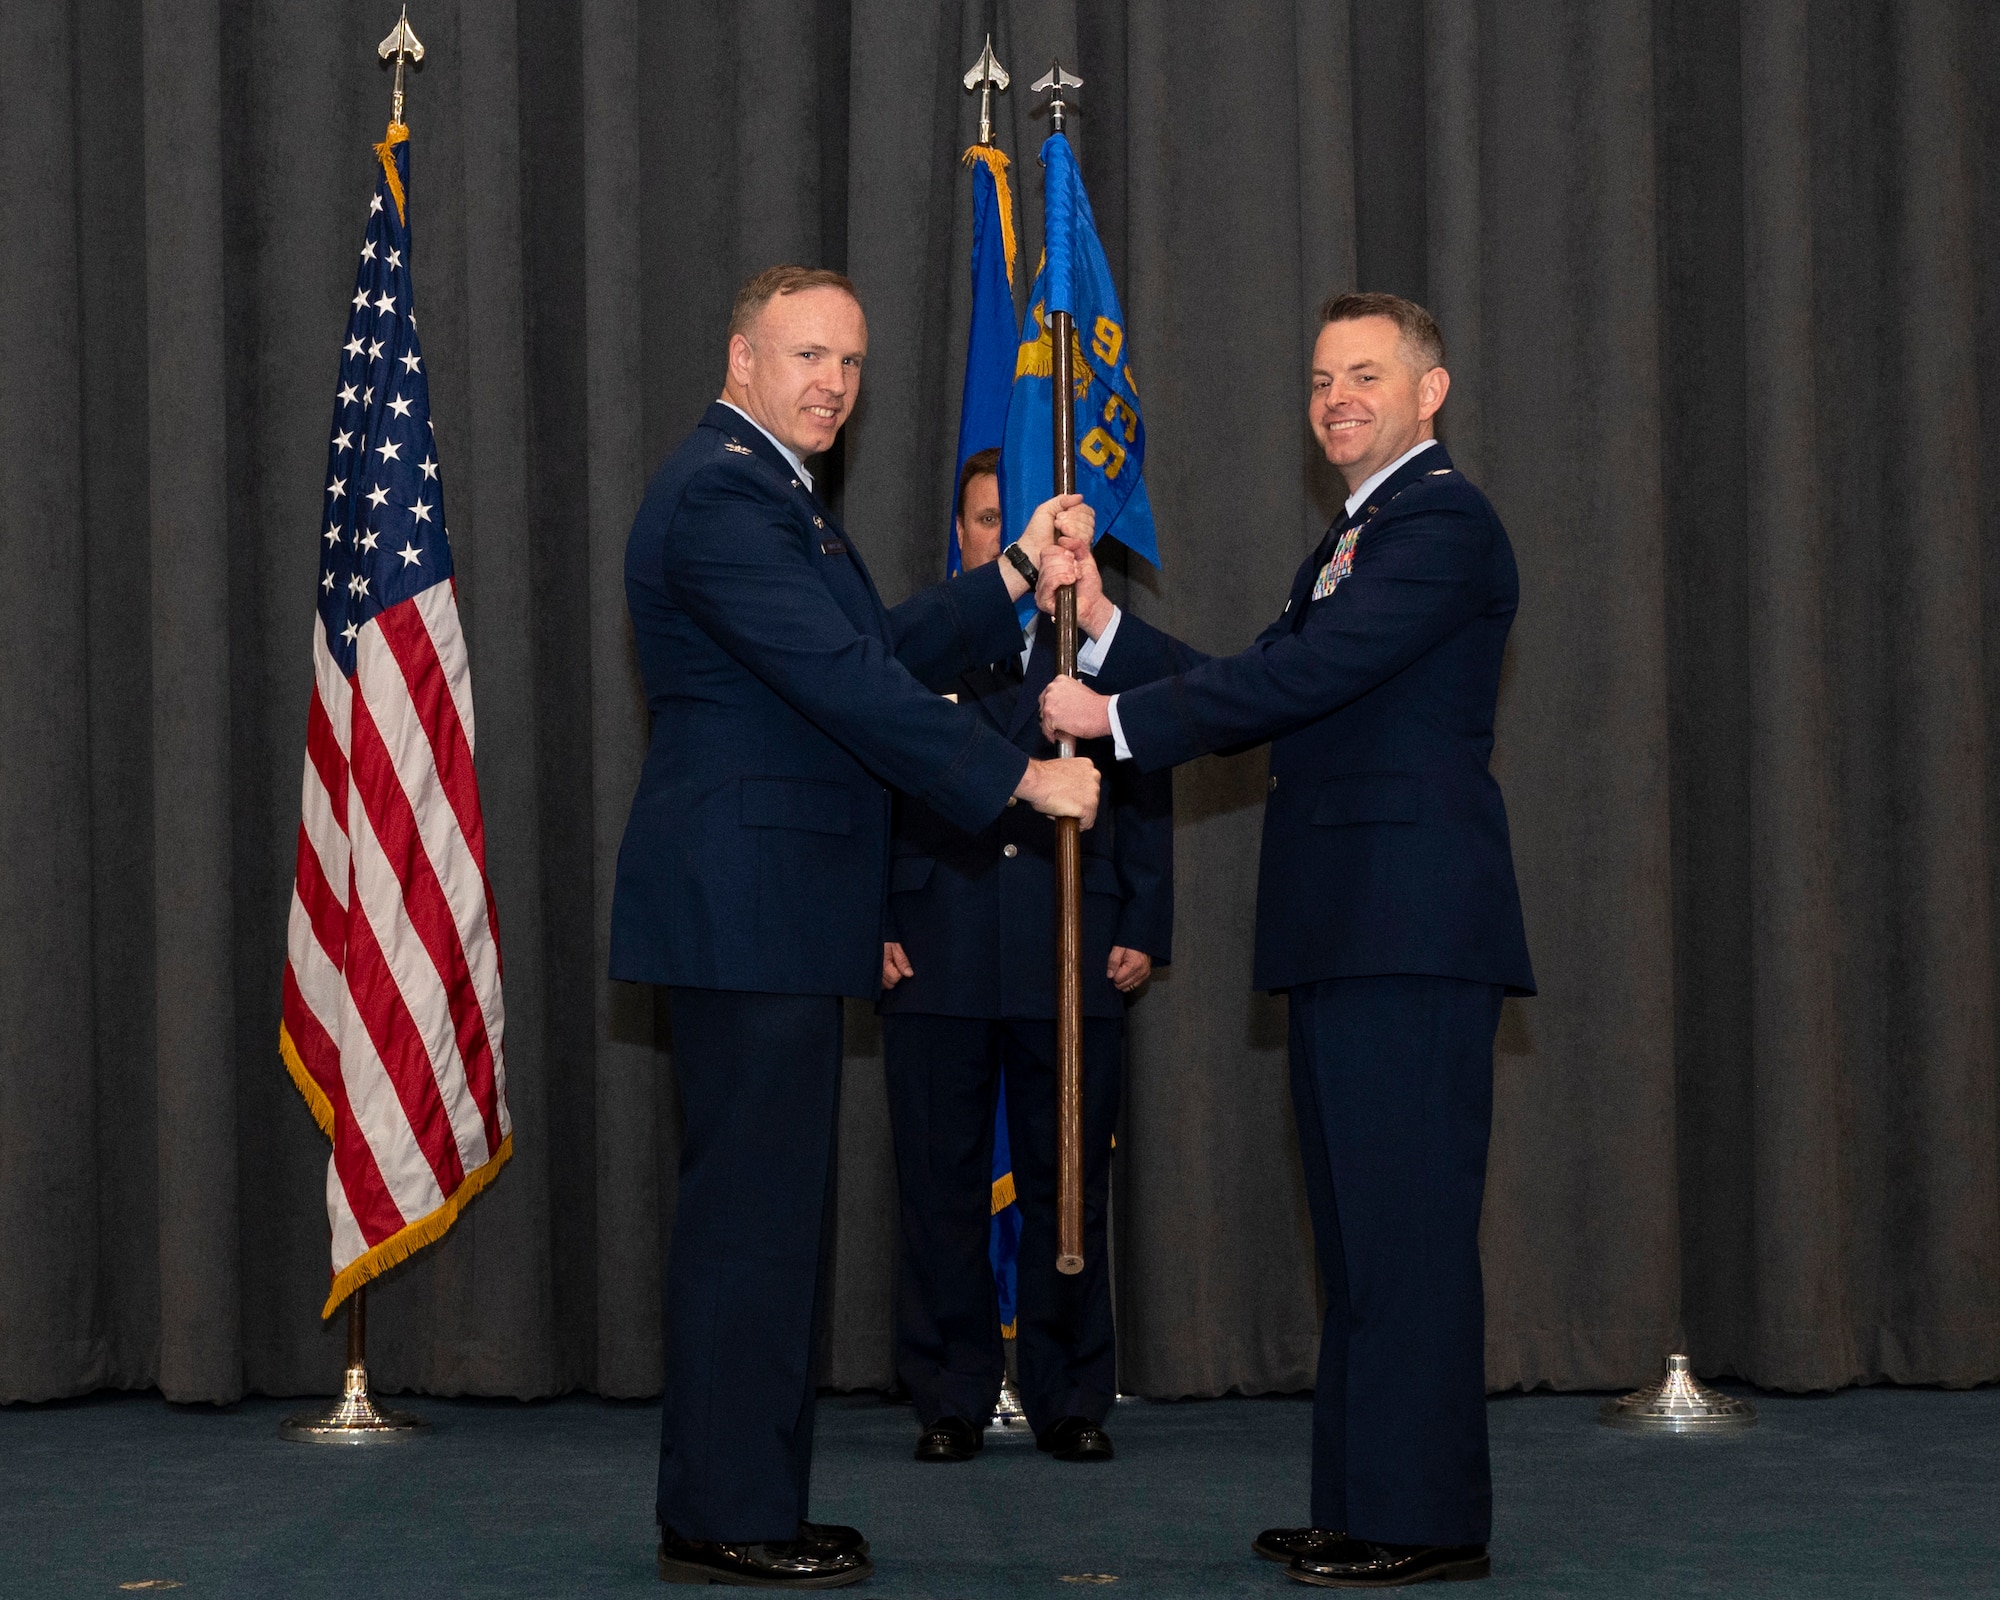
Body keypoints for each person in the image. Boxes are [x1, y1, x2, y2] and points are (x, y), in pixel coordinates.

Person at [611, 265, 1101, 1590]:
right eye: (808, 355)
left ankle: (740, 1500)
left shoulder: (773, 496)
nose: (833, 383)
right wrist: (1015, 777)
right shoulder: (724, 493)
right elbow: (845, 687)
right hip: (744, 907)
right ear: (741, 355)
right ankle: (728, 1515)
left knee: (766, 1221)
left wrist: (1009, 574)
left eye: (852, 363)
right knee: (751, 1224)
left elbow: (872, 651)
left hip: (767, 908)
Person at [1040, 293, 1534, 1589]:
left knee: (1405, 1235)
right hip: (1348, 924)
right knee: (1361, 1237)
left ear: (1432, 390)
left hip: (1410, 926)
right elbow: (1262, 665)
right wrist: (1101, 632)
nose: (1336, 400)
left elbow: (1300, 681)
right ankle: (1367, 1502)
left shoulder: (1441, 524)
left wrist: (1114, 725)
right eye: (1321, 378)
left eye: (1366, 374)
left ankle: (1424, 1521)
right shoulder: (1356, 536)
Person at [878, 448, 1174, 1468]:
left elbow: (1144, 770)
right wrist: (867, 920)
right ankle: (949, 1394)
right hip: (935, 940)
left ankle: (1068, 1393)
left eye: (1042, 522)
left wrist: (1146, 915)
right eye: (989, 519)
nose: (1022, 537)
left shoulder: (1090, 636)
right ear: (964, 535)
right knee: (937, 1182)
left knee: (1070, 1181)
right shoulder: (920, 639)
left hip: (1071, 939)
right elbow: (869, 767)